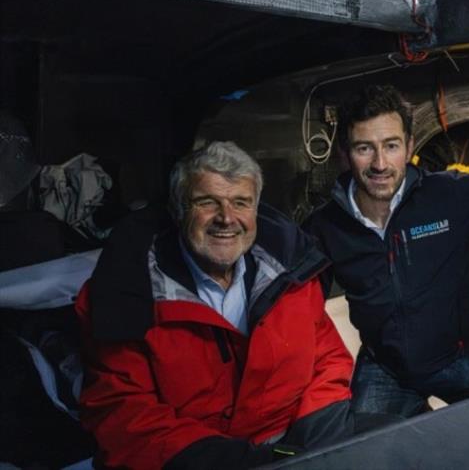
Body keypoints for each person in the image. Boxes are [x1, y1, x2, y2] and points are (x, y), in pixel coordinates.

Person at [76, 141, 355, 470]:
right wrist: (244, 461)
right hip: (195, 461)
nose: (227, 218)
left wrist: (313, 443)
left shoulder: (291, 274)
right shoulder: (128, 294)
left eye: (241, 202)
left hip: (293, 445)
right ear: (180, 208)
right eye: (207, 202)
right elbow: (123, 415)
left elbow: (329, 359)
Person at [304, 85, 469, 419]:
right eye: (364, 148)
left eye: (391, 146)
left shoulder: (449, 195)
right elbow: (298, 313)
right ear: (344, 152)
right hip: (385, 371)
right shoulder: (324, 227)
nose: (380, 163)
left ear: (410, 146)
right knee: (365, 455)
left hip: (460, 361)